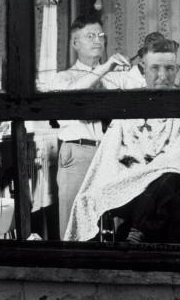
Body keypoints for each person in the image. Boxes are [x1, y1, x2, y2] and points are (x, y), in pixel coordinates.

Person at [64, 36, 180, 243]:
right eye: (155, 68)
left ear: (177, 69)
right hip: (133, 189)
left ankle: (137, 234)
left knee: (171, 179)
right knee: (171, 199)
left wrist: (159, 169)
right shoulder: (131, 106)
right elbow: (109, 159)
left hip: (176, 184)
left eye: (169, 68)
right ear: (143, 70)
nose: (162, 75)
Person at [50, 13, 146, 238]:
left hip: (111, 153)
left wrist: (145, 63)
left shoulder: (116, 77)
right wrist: (106, 68)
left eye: (100, 36)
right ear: (75, 43)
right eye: (90, 36)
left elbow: (145, 86)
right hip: (78, 153)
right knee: (73, 224)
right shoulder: (62, 78)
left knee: (114, 221)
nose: (97, 40)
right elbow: (73, 95)